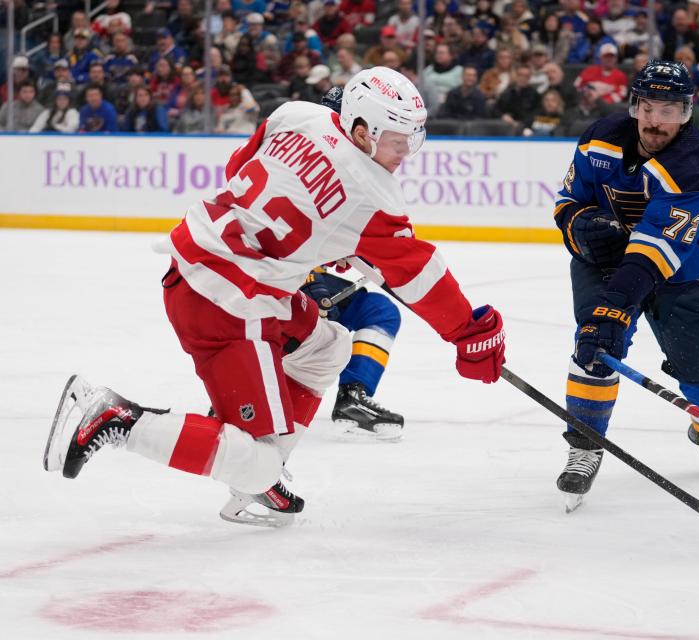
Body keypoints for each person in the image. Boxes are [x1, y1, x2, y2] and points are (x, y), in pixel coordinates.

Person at [43, 67, 507, 528]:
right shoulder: (375, 195)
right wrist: (471, 333)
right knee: (258, 456)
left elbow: (239, 171)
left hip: (212, 266)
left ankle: (255, 476)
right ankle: (119, 418)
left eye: (412, 138)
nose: (406, 151)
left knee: (329, 346)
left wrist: (326, 238)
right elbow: (420, 275)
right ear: (362, 130)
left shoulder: (296, 115)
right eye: (397, 140)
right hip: (229, 302)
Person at [551, 60, 699, 509]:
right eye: (648, 107)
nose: (657, 120)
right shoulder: (599, 139)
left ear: (687, 113)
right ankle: (584, 444)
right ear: (634, 106)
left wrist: (617, 304)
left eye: (670, 111)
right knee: (595, 343)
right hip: (606, 263)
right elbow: (567, 202)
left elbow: (658, 249)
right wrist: (581, 225)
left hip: (684, 270)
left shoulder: (694, 162)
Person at [301, 267, 405, 440]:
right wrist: (309, 281)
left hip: (310, 279)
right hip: (276, 285)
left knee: (378, 310)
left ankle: (352, 396)